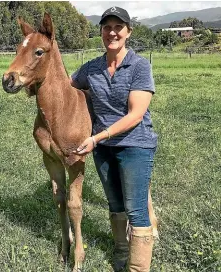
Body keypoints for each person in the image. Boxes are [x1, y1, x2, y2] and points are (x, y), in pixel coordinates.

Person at [71, 6, 158, 272]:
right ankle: (121, 250)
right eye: (107, 27)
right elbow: (65, 85)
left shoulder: (140, 66)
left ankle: (137, 267)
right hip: (104, 150)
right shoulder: (92, 68)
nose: (112, 32)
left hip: (135, 146)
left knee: (136, 210)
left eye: (118, 27)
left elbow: (135, 115)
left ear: (128, 32)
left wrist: (98, 136)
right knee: (116, 204)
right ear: (101, 32)